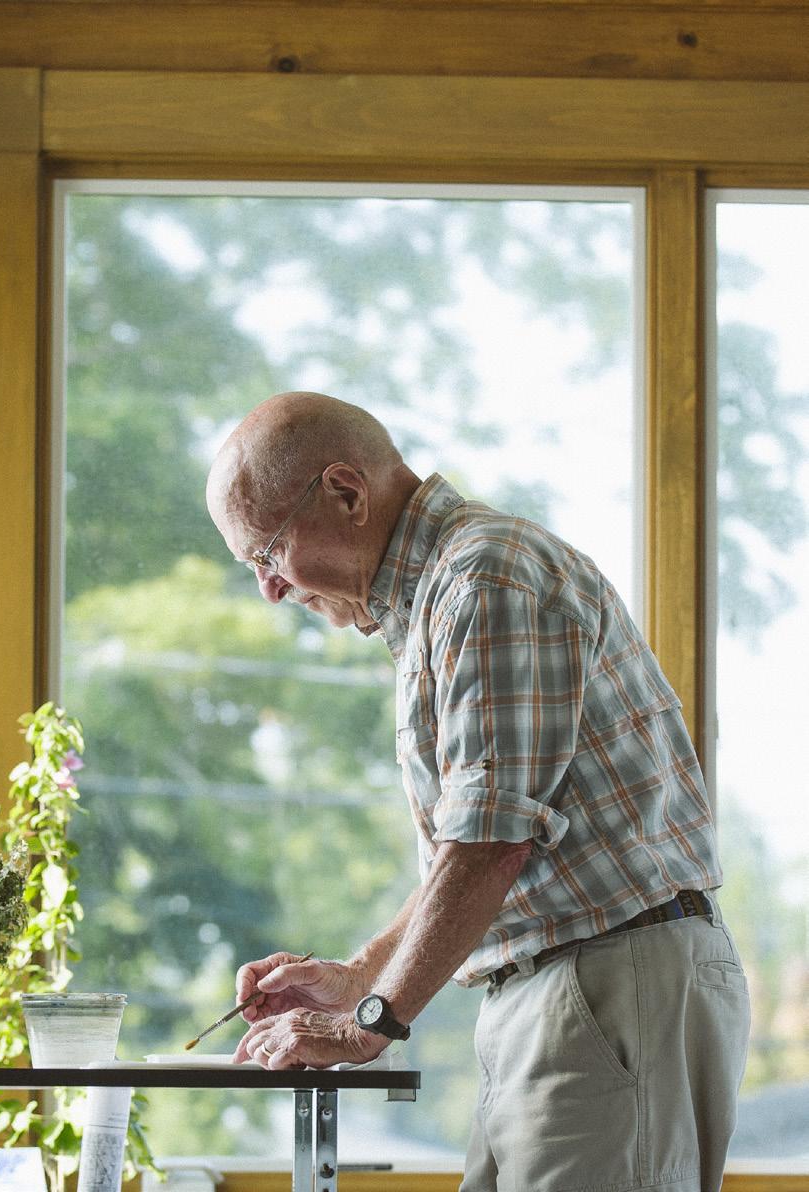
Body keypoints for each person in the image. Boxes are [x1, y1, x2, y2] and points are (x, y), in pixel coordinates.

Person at [205, 390, 750, 1192]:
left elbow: (491, 844)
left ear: (347, 493)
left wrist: (367, 1026)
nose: (269, 590)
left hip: (606, 985)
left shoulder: (483, 578)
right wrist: (362, 975)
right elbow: (480, 845)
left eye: (266, 552)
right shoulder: (444, 593)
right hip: (569, 990)